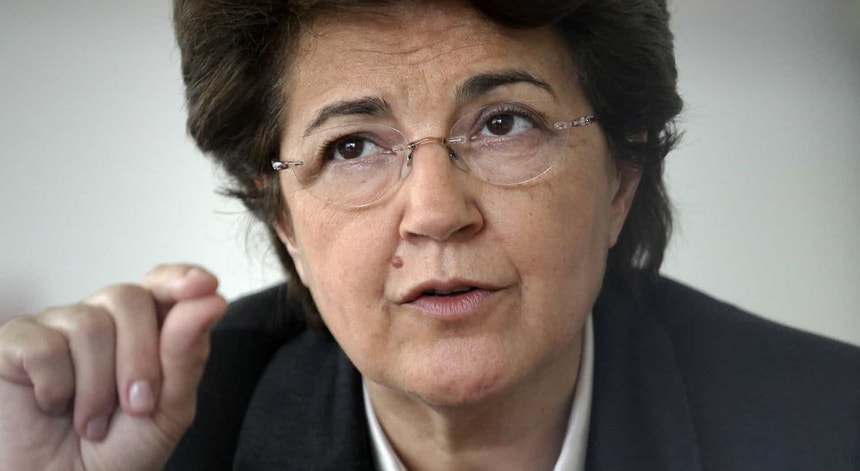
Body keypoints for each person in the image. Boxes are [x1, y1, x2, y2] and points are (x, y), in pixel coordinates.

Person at [0, 1, 857, 470]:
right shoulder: (172, 439)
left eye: (505, 123)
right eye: (352, 146)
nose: (437, 210)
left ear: (621, 178)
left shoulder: (830, 429)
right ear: (285, 220)